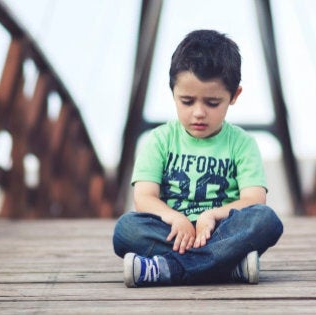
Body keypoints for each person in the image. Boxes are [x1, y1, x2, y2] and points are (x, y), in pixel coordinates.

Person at [112, 29, 283, 287]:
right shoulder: (159, 140)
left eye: (212, 103)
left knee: (266, 220)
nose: (199, 113)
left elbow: (253, 199)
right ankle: (226, 268)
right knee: (126, 230)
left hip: (220, 232)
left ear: (234, 96)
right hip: (171, 232)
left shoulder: (242, 143)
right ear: (173, 93)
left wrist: (213, 216)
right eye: (187, 101)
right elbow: (144, 197)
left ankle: (168, 269)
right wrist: (176, 218)